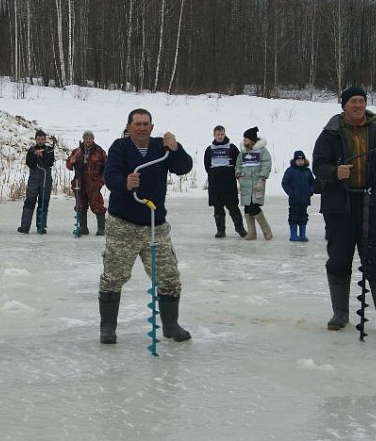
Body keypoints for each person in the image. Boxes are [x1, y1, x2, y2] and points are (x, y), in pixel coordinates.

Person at [312, 86, 376, 336]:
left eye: (361, 101)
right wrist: (335, 172)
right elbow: (318, 165)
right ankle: (340, 313)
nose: (358, 105)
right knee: (339, 258)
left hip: (371, 204)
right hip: (340, 206)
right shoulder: (330, 133)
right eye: (353, 101)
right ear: (344, 105)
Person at [98, 108, 193, 345]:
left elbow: (184, 167)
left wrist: (176, 148)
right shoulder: (119, 147)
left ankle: (171, 324)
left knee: (169, 276)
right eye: (137, 124)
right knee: (113, 276)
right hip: (123, 225)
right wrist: (124, 182)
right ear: (129, 126)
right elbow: (110, 177)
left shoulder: (162, 147)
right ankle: (108, 327)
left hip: (155, 225)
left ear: (152, 127)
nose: (141, 128)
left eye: (146, 124)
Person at [203, 125, 247, 238]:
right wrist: (213, 174)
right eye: (218, 134)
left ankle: (240, 228)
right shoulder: (209, 149)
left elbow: (238, 162)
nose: (220, 136)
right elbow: (207, 165)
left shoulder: (232, 147)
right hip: (215, 183)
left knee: (233, 207)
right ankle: (220, 230)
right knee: (217, 208)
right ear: (214, 135)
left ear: (225, 134)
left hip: (228, 182)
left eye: (222, 134)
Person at [66, 130, 107, 236]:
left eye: (90, 138)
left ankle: (101, 229)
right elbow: (69, 166)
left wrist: (101, 181)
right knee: (81, 206)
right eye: (86, 138)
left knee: (98, 206)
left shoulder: (99, 151)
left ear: (93, 139)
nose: (88, 140)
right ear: (83, 139)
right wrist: (72, 161)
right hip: (79, 183)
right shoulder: (77, 151)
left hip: (94, 184)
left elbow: (107, 168)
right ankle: (83, 228)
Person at [235, 126, 273, 240]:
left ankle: (267, 231)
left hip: (257, 184)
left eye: (246, 138)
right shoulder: (242, 152)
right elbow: (238, 165)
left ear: (251, 140)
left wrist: (262, 178)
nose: (244, 140)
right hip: (245, 184)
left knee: (254, 207)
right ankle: (252, 233)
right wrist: (239, 176)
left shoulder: (262, 151)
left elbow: (267, 164)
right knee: (247, 208)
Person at [18, 129, 54, 234]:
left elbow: (50, 163)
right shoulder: (31, 150)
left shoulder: (50, 149)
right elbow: (29, 163)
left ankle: (41, 226)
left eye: (42, 139)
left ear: (45, 139)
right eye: (38, 139)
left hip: (45, 180)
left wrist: (43, 155)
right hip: (33, 180)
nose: (40, 141)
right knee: (29, 202)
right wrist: (35, 155)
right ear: (35, 139)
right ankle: (25, 226)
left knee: (43, 203)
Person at [281, 150, 315, 242]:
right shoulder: (290, 171)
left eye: (302, 160)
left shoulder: (307, 171)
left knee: (303, 216)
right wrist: (291, 193)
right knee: (293, 216)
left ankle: (303, 235)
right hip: (294, 199)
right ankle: (293, 235)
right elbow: (285, 183)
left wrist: (310, 191)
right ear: (295, 160)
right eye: (298, 160)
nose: (300, 162)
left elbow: (312, 182)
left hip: (305, 199)